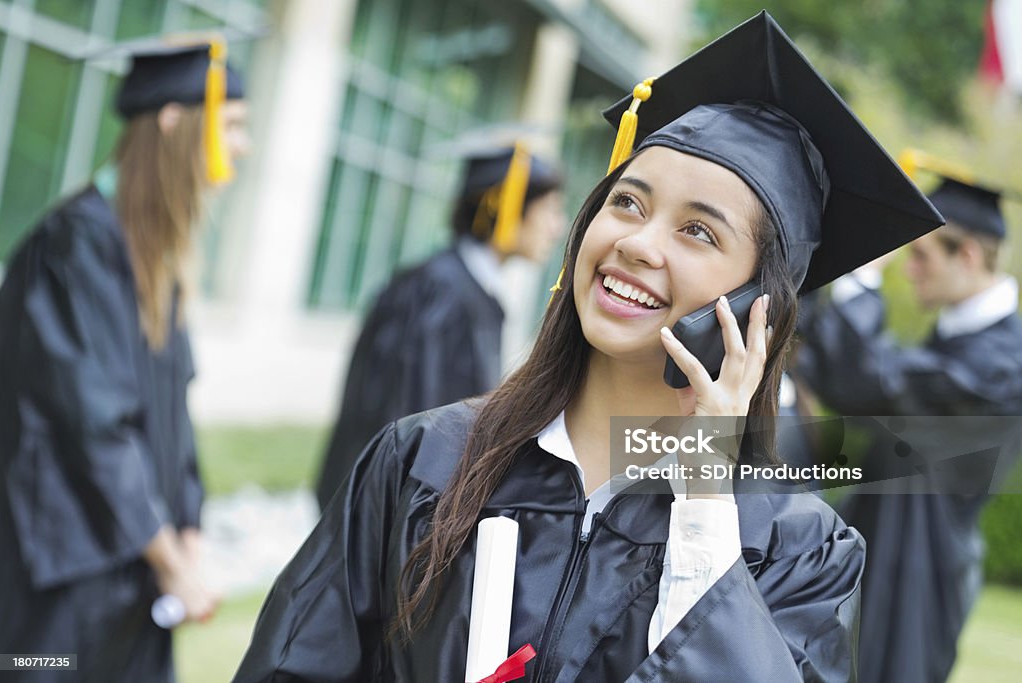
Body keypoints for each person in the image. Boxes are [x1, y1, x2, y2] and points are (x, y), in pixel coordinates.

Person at [234, 12, 942, 682]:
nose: (635, 242)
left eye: (698, 231)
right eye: (628, 202)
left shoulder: (797, 549)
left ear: (759, 303)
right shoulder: (424, 458)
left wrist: (702, 493)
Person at [0, 38, 249, 682]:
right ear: (173, 119)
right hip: (63, 577)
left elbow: (173, 412)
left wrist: (189, 526)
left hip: (131, 572)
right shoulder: (75, 243)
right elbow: (94, 424)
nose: (242, 147)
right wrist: (170, 558)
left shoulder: (153, 254)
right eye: (232, 126)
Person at [795, 152, 1022, 683]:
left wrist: (860, 282)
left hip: (922, 566)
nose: (909, 268)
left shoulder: (1002, 364)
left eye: (920, 255)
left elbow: (874, 386)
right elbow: (850, 382)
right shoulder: (961, 337)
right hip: (888, 544)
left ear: (966, 254)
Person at [314, 144, 565, 509]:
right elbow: (410, 420)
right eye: (550, 210)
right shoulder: (436, 292)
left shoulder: (472, 289)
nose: (558, 227)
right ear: (505, 206)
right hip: (391, 506)